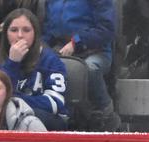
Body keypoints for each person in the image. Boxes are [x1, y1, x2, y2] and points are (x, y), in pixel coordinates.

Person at [42, 0, 120, 131]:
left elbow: (107, 29)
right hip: (60, 47)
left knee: (90, 68)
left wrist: (76, 42)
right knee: (41, 65)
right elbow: (49, 29)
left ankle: (105, 112)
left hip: (96, 50)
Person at [0, 8, 67, 131]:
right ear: (6, 33)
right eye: (14, 30)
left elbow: (55, 103)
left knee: (21, 115)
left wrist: (16, 101)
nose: (20, 35)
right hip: (6, 117)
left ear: (35, 33)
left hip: (47, 120)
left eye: (26, 30)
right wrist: (12, 63)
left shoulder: (51, 60)